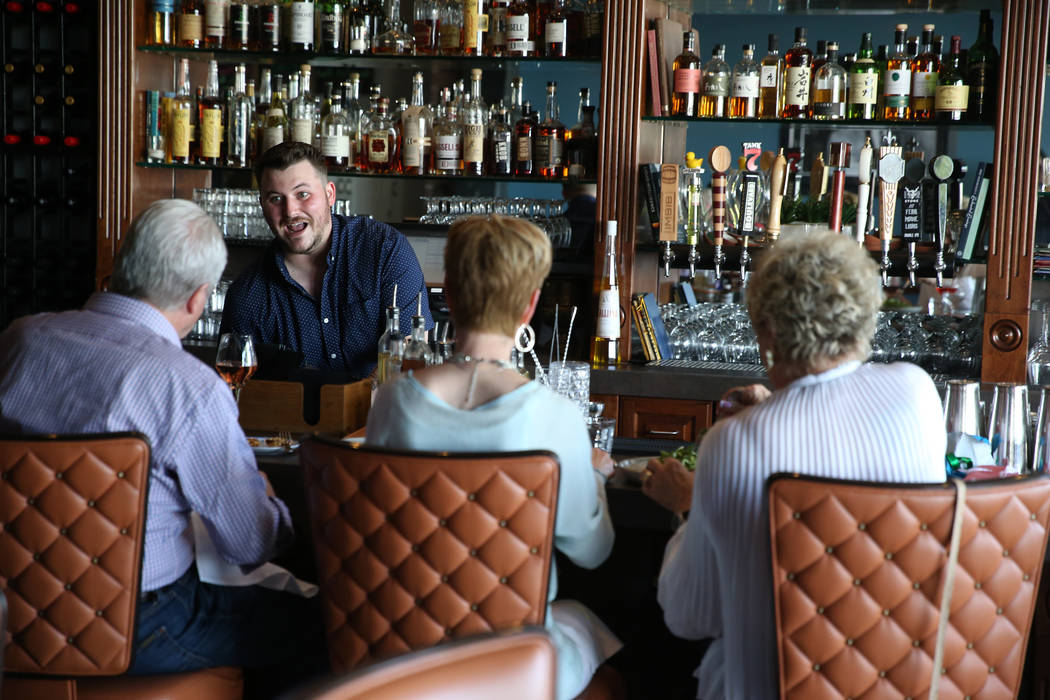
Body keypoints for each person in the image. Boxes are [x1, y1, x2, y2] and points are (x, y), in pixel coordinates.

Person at [0, 199, 325, 694]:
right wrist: (271, 503)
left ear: (121, 265)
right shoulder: (188, 387)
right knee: (325, 624)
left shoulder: (19, 341)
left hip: (12, 611)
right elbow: (251, 545)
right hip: (137, 625)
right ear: (199, 299)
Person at [650, 230, 946, 699]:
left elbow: (689, 617)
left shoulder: (733, 443)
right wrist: (776, 407)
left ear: (768, 328)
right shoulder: (917, 393)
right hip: (898, 684)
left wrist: (689, 506)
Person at [366, 215, 620, 700]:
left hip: (403, 650)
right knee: (593, 639)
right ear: (530, 306)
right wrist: (596, 473)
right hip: (509, 661)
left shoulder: (394, 401)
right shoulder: (555, 417)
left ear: (451, 296)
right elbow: (594, 552)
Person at [220, 141, 432, 378]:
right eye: (276, 199)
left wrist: (354, 402)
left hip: (382, 410)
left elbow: (412, 355)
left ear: (329, 194)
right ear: (262, 206)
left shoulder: (383, 249)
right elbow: (241, 394)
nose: (291, 211)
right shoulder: (248, 296)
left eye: (303, 194)